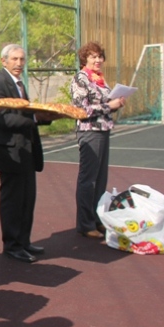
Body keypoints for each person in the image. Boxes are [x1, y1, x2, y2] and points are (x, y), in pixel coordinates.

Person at [0, 44, 51, 263]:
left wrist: (45, 116)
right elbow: (0, 118)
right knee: (12, 199)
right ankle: (12, 245)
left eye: (22, 59)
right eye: (14, 59)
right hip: (9, 152)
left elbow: (26, 114)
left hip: (27, 150)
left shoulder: (20, 84)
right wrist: (34, 119)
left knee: (27, 198)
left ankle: (24, 240)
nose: (19, 64)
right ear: (4, 61)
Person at [70, 42, 125, 239]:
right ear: (85, 59)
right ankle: (85, 223)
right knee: (88, 179)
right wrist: (109, 105)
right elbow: (82, 110)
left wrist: (116, 104)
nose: (98, 60)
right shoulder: (80, 79)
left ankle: (96, 219)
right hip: (89, 131)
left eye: (100, 56)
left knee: (101, 179)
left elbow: (104, 104)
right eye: (93, 56)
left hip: (103, 130)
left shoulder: (100, 80)